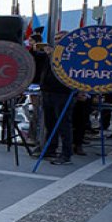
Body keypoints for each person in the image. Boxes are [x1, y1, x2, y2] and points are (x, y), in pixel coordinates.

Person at [32, 31, 74, 165]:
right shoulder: (50, 53)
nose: (57, 41)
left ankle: (66, 154)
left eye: (60, 38)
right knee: (50, 124)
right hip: (47, 91)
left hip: (62, 92)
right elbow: (36, 58)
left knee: (63, 124)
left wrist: (51, 55)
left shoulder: (70, 54)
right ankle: (50, 149)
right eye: (55, 38)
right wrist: (35, 49)